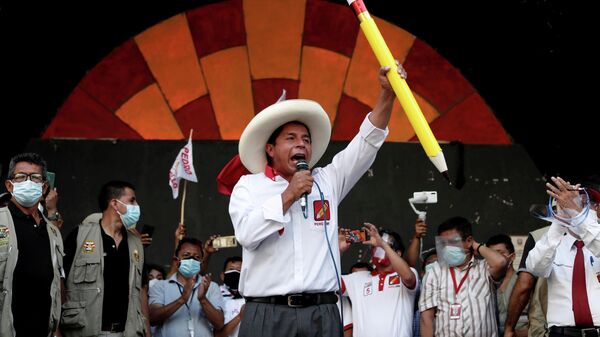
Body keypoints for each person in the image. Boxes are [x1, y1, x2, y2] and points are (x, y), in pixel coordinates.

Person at [229, 61, 405, 337]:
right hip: (267, 314)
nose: (302, 144)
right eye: (291, 138)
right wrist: (289, 195)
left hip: (321, 313)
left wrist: (388, 94)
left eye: (306, 139)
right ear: (270, 149)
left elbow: (367, 142)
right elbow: (247, 234)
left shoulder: (327, 180)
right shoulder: (248, 187)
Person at [61, 180, 147, 337]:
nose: (137, 205)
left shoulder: (136, 244)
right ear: (115, 203)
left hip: (127, 332)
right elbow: (59, 281)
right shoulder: (79, 236)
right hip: (85, 331)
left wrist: (147, 332)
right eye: (132, 200)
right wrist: (57, 329)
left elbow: (141, 290)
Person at [525, 176, 600, 337]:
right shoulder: (554, 242)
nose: (581, 209)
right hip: (562, 333)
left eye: (589, 204)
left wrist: (577, 214)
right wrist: (559, 223)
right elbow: (535, 267)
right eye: (578, 203)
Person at [0, 152, 64, 337]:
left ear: (44, 187)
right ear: (9, 185)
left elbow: (56, 284)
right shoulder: (2, 221)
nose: (28, 182)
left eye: (35, 177)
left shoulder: (52, 232)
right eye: (20, 177)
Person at [419, 216, 508, 337]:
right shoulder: (434, 273)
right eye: (443, 243)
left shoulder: (484, 268)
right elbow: (426, 319)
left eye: (451, 242)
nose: (447, 248)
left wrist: (477, 246)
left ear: (469, 241)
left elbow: (501, 262)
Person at [340, 223, 418, 337]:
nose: (378, 248)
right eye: (375, 246)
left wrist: (382, 244)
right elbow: (329, 280)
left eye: (385, 244)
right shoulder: (357, 279)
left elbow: (408, 277)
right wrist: (339, 250)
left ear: (398, 253)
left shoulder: (406, 274)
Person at [149, 237, 224, 337]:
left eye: (197, 257)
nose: (191, 259)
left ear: (201, 262)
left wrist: (203, 299)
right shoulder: (161, 286)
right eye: (186, 255)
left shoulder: (211, 287)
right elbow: (152, 318)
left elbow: (219, 324)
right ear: (176, 260)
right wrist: (182, 299)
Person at [486, 234, 528, 337]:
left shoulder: (524, 282)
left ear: (512, 256)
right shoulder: (485, 284)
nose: (496, 259)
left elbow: (539, 323)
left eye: (500, 253)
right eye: (491, 255)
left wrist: (516, 334)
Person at [215, 256, 245, 337]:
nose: (235, 273)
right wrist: (239, 317)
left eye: (239, 270)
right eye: (231, 269)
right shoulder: (215, 294)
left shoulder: (251, 296)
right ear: (222, 275)